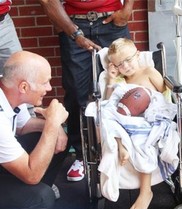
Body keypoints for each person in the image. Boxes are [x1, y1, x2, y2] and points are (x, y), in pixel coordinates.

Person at [38, 0, 135, 182]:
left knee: (123, 86)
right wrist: (70, 30)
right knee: (76, 93)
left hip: (112, 20)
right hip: (74, 23)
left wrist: (127, 9)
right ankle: (83, 155)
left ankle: (126, 151)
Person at [99, 38, 178, 209]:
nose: (125, 66)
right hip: (124, 120)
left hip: (146, 120)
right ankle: (121, 147)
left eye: (128, 60)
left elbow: (164, 97)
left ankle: (145, 191)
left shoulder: (149, 72)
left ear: (138, 55)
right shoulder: (120, 81)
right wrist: (111, 79)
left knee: (141, 140)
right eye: (120, 64)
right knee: (105, 118)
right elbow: (108, 103)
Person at [0, 51, 69, 209]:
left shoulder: (10, 88)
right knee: (42, 198)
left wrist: (56, 127)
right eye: (45, 82)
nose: (49, 88)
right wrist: (52, 123)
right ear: (24, 87)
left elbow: (23, 126)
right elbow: (31, 175)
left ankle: (32, 189)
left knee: (55, 139)